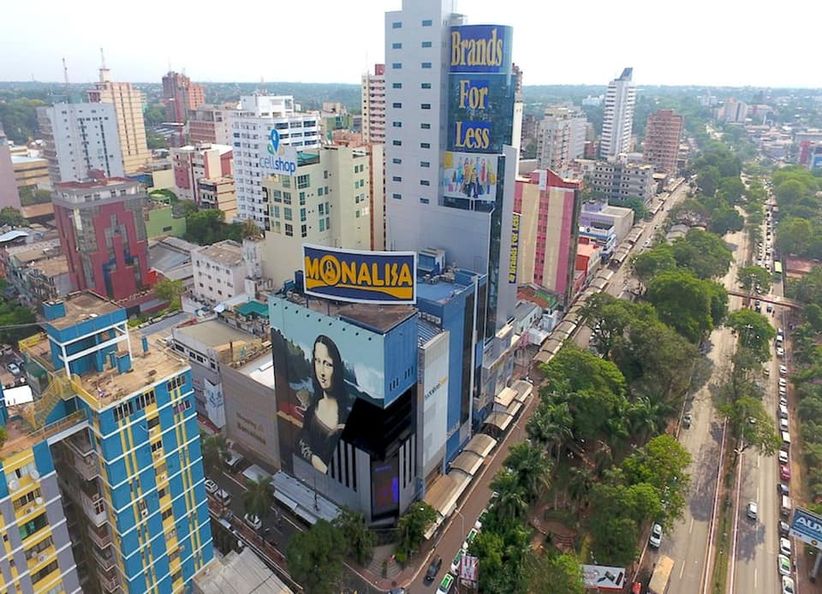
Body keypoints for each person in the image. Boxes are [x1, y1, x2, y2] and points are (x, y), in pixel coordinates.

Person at [297, 335, 351, 473]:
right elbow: (302, 440)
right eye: (317, 361)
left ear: (336, 368)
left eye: (327, 364)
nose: (321, 371)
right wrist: (314, 459)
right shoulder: (312, 410)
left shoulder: (346, 415)